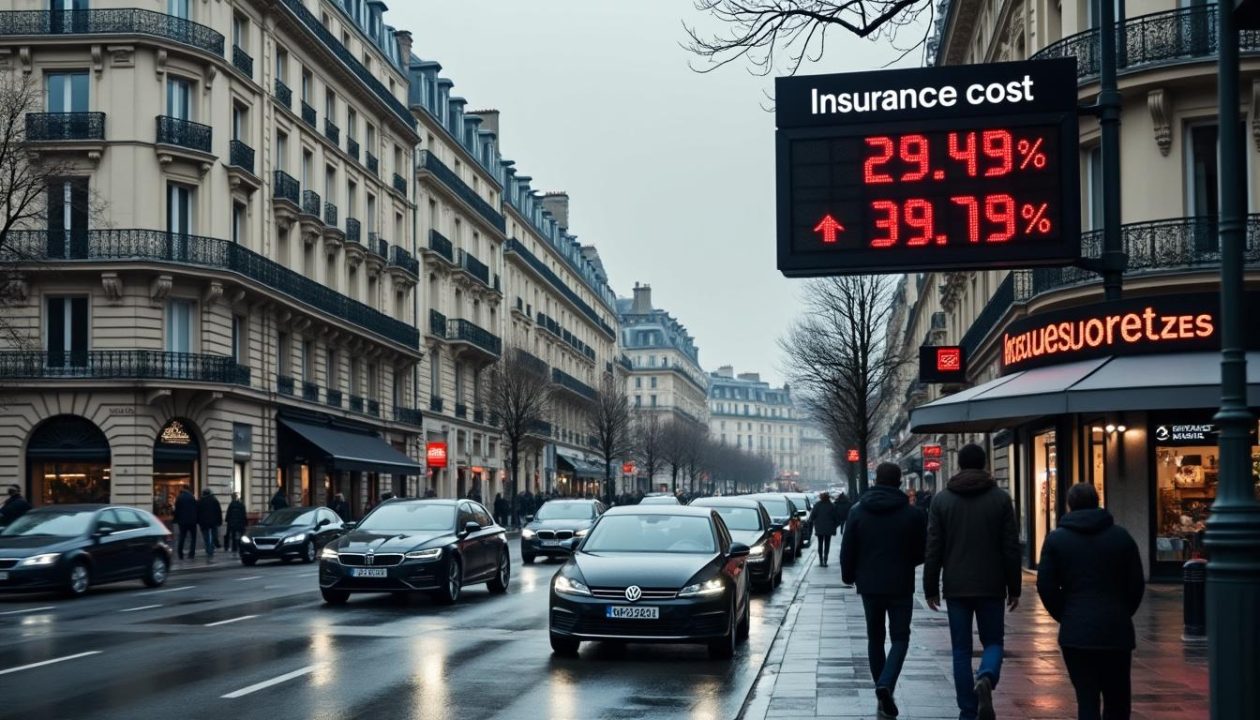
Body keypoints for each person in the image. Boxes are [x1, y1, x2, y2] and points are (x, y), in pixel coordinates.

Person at [924, 444, 1021, 720]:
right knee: (993, 642)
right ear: (985, 463)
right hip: (992, 585)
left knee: (961, 650)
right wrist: (1014, 587)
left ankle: (968, 710)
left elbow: (933, 547)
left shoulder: (942, 500)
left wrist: (931, 586)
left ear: (959, 465)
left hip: (956, 586)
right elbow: (1011, 546)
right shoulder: (1000, 499)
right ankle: (987, 676)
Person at [1037, 483, 1145, 720]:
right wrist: (1122, 611)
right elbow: (1136, 584)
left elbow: (1046, 586)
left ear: (1069, 505)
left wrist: (1066, 614)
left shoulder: (1056, 540)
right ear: (1097, 502)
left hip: (1076, 632)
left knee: (1086, 699)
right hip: (1115, 630)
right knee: (1117, 700)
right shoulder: (1121, 537)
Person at [841, 463, 928, 719]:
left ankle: (882, 687)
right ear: (900, 481)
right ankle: (885, 685)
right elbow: (921, 550)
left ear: (875, 480)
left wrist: (849, 575)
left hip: (869, 585)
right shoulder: (913, 514)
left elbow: (848, 547)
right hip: (900, 583)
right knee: (900, 637)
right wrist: (905, 563)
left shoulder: (858, 511)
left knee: (875, 637)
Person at [809, 492, 840, 566]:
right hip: (829, 528)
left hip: (819, 528)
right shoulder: (832, 506)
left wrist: (812, 521)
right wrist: (834, 525)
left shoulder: (817, 505)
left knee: (820, 544)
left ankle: (821, 560)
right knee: (827, 544)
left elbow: (812, 516)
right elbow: (836, 518)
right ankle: (825, 559)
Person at [174, 485, 199, 559]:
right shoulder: (192, 497)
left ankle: (180, 554)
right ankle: (191, 554)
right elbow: (196, 509)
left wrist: (176, 519)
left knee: (182, 537)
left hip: (182, 521)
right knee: (193, 538)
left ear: (183, 489)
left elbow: (176, 510)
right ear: (188, 489)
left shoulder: (179, 497)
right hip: (192, 521)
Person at [197, 488, 223, 560]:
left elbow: (197, 512)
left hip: (204, 523)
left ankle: (208, 549)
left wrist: (198, 521)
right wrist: (220, 521)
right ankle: (211, 549)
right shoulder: (214, 500)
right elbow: (219, 512)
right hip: (213, 522)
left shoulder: (200, 501)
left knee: (206, 537)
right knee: (213, 536)